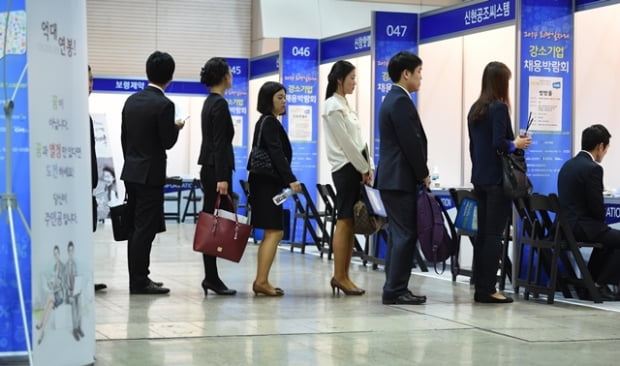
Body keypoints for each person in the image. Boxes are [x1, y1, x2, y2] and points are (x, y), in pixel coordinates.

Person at [467, 61, 531, 303]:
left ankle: (481, 286)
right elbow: (499, 143)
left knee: (484, 234)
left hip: (480, 179)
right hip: (497, 181)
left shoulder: (475, 109)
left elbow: (474, 148)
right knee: (494, 235)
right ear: (501, 82)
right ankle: (488, 289)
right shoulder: (499, 109)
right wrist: (517, 144)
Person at [121, 51, 183, 295]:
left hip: (132, 172)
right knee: (144, 229)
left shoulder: (131, 101)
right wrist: (177, 127)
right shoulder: (165, 105)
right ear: (170, 77)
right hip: (151, 175)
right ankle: (139, 281)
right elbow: (166, 141)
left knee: (135, 228)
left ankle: (139, 276)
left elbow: (124, 138)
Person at [375, 51, 428, 305]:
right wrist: (423, 173)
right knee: (405, 235)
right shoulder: (400, 102)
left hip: (392, 178)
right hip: (399, 179)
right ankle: (396, 289)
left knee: (399, 235)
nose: (420, 78)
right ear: (406, 74)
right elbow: (411, 143)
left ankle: (394, 286)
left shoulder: (393, 99)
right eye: (418, 73)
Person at [322, 60, 372, 296]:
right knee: (344, 221)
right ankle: (339, 275)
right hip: (346, 169)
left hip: (355, 168)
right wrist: (363, 167)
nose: (355, 82)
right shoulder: (333, 106)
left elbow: (359, 142)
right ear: (340, 79)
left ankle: (345, 275)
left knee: (350, 223)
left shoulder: (344, 105)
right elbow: (347, 144)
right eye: (352, 78)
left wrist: (367, 166)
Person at [247, 81, 302, 296]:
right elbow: (276, 153)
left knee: (272, 231)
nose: (284, 101)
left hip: (265, 183)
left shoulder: (267, 122)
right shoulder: (269, 122)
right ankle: (261, 281)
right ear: (268, 99)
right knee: (275, 231)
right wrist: (291, 180)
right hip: (266, 184)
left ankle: (262, 280)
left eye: (284, 97)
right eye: (279, 97)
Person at [558, 124, 620, 300]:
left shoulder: (567, 166)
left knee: (609, 241)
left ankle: (590, 284)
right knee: (612, 237)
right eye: (606, 148)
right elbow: (596, 207)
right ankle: (601, 285)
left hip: (566, 226)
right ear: (600, 146)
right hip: (582, 227)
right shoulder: (593, 169)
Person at [197, 57, 237, 296]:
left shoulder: (209, 102)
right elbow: (220, 143)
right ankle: (211, 277)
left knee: (211, 222)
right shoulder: (219, 104)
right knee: (213, 224)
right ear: (224, 76)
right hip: (216, 171)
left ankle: (211, 276)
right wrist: (223, 177)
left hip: (209, 168)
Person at [88, 65, 108, 292]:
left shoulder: (87, 116)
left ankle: (85, 276)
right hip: (73, 188)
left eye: (92, 80)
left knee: (86, 234)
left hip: (87, 187)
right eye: (88, 80)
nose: (91, 85)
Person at [35, 245, 65, 344]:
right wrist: (50, 283)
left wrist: (54, 283)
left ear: (59, 254)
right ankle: (42, 331)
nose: (56, 255)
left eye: (57, 253)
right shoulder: (55, 266)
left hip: (60, 295)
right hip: (53, 293)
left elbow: (60, 283)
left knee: (50, 298)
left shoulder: (61, 266)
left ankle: (41, 324)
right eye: (54, 254)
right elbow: (52, 280)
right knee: (49, 304)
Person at [64, 241, 83, 341]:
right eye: (69, 251)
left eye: (72, 251)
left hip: (77, 289)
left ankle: (79, 327)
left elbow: (77, 276)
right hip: (70, 291)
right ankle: (75, 329)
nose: (71, 253)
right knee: (74, 309)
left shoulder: (75, 264)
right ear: (68, 252)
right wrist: (68, 290)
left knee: (79, 308)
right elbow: (66, 279)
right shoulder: (67, 265)